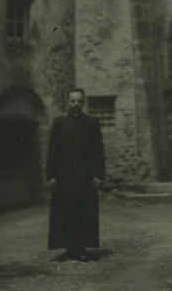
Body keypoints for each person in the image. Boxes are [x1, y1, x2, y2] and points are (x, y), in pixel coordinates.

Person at [46, 87, 105, 261]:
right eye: (73, 101)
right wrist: (51, 175)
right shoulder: (59, 123)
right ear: (68, 102)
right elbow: (53, 151)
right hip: (64, 177)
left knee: (84, 212)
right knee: (65, 212)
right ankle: (69, 248)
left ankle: (82, 248)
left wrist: (98, 175)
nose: (76, 104)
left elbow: (98, 151)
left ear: (83, 102)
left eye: (79, 101)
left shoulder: (92, 123)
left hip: (85, 177)